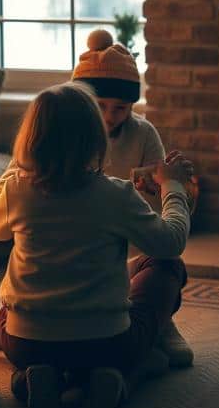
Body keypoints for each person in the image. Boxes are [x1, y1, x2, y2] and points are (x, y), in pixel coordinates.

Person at [0, 81, 193, 408]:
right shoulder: (116, 194)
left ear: (29, 139)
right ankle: (120, 380)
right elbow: (171, 241)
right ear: (96, 138)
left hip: (27, 343)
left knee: (4, 314)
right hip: (105, 342)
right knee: (166, 265)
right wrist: (173, 186)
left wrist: (14, 168)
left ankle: (28, 381)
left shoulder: (17, 190)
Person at [70, 29, 196, 366]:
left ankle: (159, 320)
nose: (110, 116)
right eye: (101, 107)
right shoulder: (65, 136)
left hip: (130, 254)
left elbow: (156, 222)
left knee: (168, 264)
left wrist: (160, 188)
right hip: (79, 257)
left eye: (120, 108)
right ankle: (148, 328)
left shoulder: (143, 133)